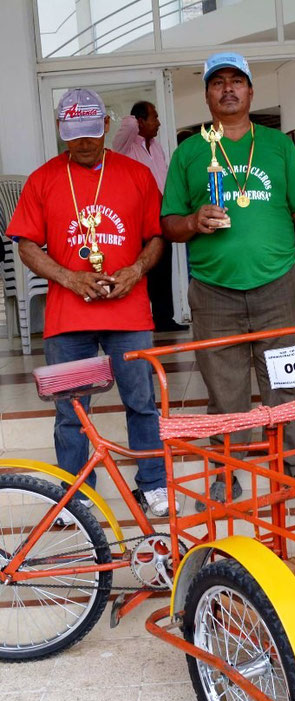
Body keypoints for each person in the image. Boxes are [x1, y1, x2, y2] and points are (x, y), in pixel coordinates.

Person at [160, 52, 295, 505]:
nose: (228, 89)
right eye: (218, 82)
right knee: (225, 394)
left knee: (286, 387)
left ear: (251, 91)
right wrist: (192, 221)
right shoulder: (190, 152)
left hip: (278, 287)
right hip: (214, 294)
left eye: (237, 81)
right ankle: (226, 475)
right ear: (208, 94)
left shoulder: (277, 146)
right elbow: (168, 223)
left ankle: (292, 472)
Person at [7, 88, 176, 517]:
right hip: (69, 316)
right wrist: (69, 277)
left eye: (90, 132)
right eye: (73, 135)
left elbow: (156, 237)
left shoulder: (136, 175)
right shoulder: (43, 178)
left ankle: (153, 483)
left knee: (141, 400)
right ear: (62, 131)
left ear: (105, 126)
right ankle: (75, 491)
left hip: (129, 312)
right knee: (70, 411)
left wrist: (135, 271)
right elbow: (26, 244)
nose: (83, 143)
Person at [113, 101, 187, 333]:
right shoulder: (125, 145)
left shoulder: (155, 146)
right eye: (154, 117)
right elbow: (127, 125)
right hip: (135, 218)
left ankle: (164, 319)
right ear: (141, 122)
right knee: (141, 269)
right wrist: (136, 117)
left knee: (163, 269)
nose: (159, 123)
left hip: (159, 214)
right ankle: (141, 319)